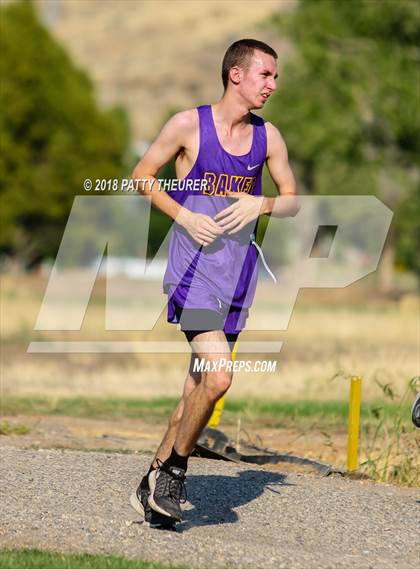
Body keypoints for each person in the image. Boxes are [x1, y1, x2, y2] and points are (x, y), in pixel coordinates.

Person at [130, 38, 299, 527]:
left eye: (274, 76)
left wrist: (260, 204)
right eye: (265, 75)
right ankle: (176, 473)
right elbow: (143, 176)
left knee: (197, 387)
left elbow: (292, 199)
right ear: (236, 75)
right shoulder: (188, 125)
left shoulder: (269, 137)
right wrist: (184, 215)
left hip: (238, 274)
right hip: (194, 272)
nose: (272, 84)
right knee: (219, 376)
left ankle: (154, 481)